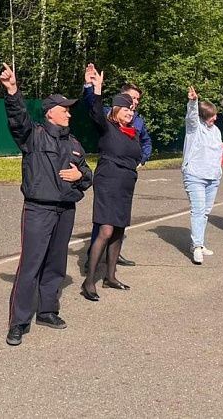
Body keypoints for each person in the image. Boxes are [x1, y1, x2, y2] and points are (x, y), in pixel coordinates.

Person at [0, 63, 93, 346]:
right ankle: (18, 322)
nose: (68, 112)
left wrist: (80, 176)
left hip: (66, 210)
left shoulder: (74, 143)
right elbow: (18, 119)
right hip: (38, 209)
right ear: (50, 112)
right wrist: (13, 91)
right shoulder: (34, 136)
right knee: (30, 265)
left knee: (55, 264)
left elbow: (87, 174)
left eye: (69, 108)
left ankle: (48, 311)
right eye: (64, 108)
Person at [79, 65, 141, 302]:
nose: (130, 113)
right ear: (115, 110)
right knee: (105, 230)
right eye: (125, 109)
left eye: (132, 110)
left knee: (118, 230)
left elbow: (137, 153)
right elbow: (94, 110)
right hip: (108, 181)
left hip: (126, 184)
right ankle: (89, 281)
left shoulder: (131, 132)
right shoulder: (107, 127)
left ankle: (111, 277)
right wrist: (96, 88)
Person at [182, 86, 223, 265]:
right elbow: (191, 117)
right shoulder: (194, 128)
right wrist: (193, 102)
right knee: (198, 210)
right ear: (203, 116)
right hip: (195, 175)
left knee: (205, 212)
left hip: (213, 176)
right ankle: (197, 246)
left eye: (215, 115)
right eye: (211, 115)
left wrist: (218, 173)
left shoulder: (216, 131)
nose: (215, 118)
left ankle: (198, 242)